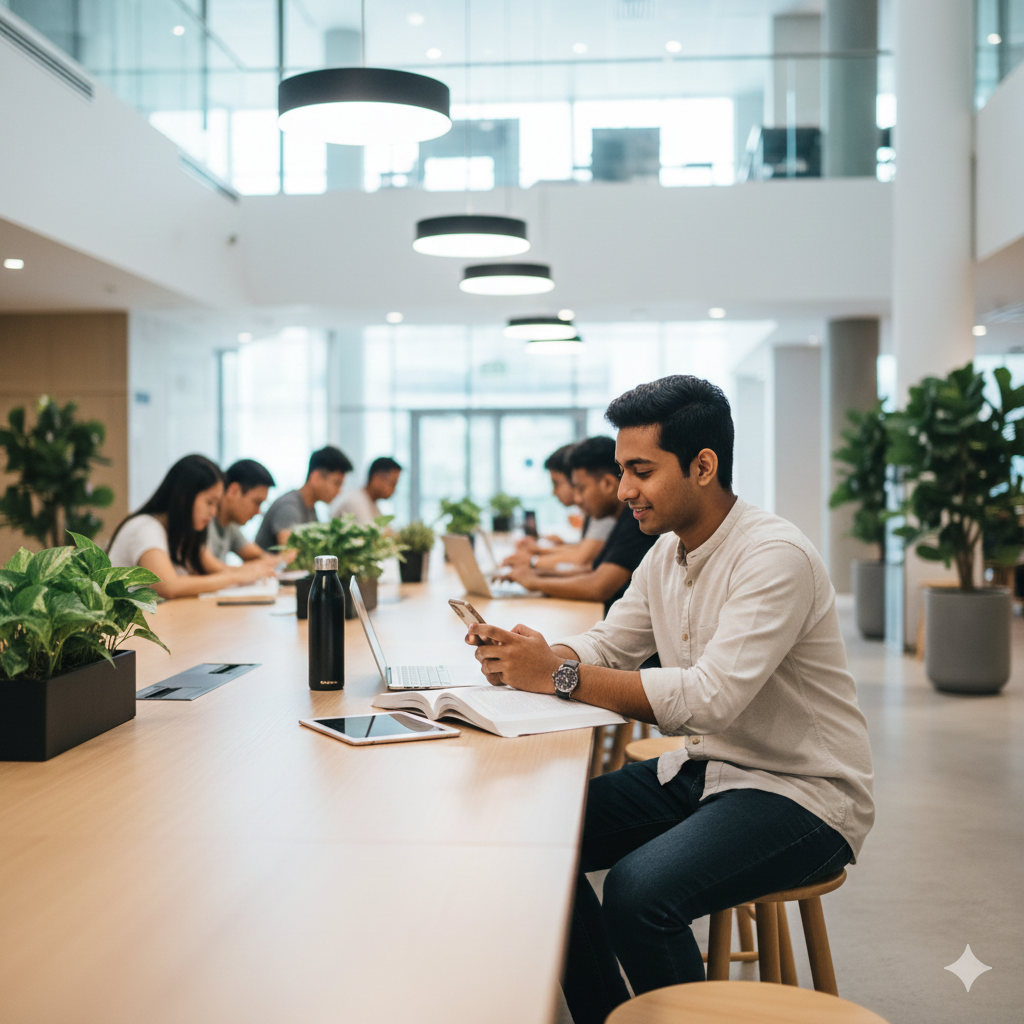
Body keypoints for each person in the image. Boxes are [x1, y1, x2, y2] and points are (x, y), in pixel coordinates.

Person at [464, 376, 874, 1024]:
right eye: (623, 470)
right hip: (708, 770)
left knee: (637, 893)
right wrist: (540, 656)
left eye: (640, 470)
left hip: (802, 793)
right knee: (543, 837)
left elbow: (709, 699)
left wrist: (557, 677)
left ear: (703, 466)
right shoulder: (665, 556)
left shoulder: (773, 556)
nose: (623, 488)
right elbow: (611, 643)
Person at [502, 436, 657, 613]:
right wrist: (533, 574)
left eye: (581, 488)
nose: (577, 499)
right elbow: (591, 571)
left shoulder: (635, 520)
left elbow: (598, 586)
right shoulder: (622, 519)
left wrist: (534, 579)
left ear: (607, 484)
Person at [107, 454, 274, 600]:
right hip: (122, 633)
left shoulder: (183, 534)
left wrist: (249, 572)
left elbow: (216, 570)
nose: (213, 512)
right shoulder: (146, 528)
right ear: (184, 497)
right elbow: (169, 587)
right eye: (209, 503)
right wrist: (239, 576)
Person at [505, 444, 616, 572]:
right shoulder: (598, 511)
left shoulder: (603, 511)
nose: (553, 492)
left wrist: (532, 561)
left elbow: (582, 560)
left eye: (557, 483)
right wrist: (540, 551)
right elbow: (584, 551)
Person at [254, 446, 352, 550]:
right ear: (316, 477)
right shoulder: (289, 507)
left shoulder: (310, 508)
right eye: (337, 483)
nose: (339, 491)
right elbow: (290, 557)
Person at [206, 459, 281, 566]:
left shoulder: (230, 525)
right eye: (257, 502)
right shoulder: (204, 520)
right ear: (234, 491)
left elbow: (259, 556)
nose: (258, 512)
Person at [335, 456, 401, 526]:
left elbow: (388, 531)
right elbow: (371, 533)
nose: (394, 490)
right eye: (392, 484)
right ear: (377, 478)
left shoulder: (372, 503)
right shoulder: (355, 501)